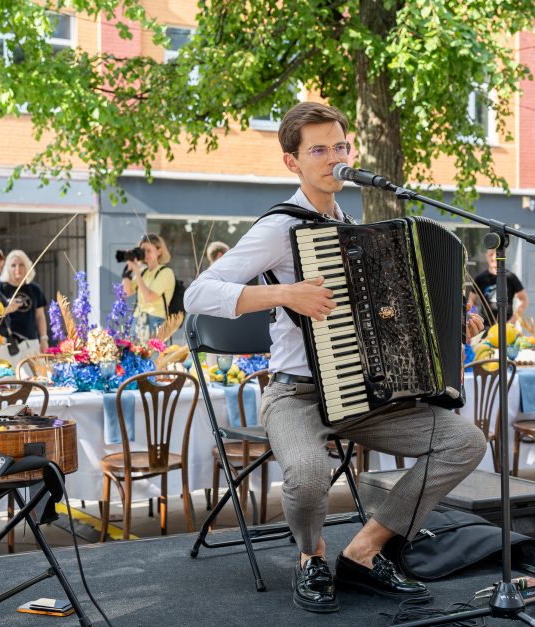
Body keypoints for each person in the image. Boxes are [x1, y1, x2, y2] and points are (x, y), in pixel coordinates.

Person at [184, 102, 487, 613]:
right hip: (296, 393)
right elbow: (197, 294)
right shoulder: (280, 229)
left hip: (365, 392)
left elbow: (389, 320)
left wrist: (451, 330)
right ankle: (312, 556)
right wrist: (285, 295)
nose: (333, 158)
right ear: (292, 162)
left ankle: (365, 550)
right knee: (306, 473)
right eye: (318, 150)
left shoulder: (358, 231)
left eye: (340, 147)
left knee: (463, 442)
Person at [0, 250, 49, 356]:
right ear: (7, 268)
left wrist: (44, 339)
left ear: (27, 266)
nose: (17, 269)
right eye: (13, 265)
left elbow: (40, 316)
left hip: (31, 342)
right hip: (7, 343)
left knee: (35, 372)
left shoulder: (35, 289)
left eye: (21, 265)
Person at [121, 234, 175, 338]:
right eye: (142, 250)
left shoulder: (165, 272)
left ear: (159, 251)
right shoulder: (143, 272)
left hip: (155, 320)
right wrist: (127, 273)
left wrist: (136, 270)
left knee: (152, 354)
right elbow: (126, 292)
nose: (145, 254)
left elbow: (149, 297)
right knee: (135, 354)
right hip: (137, 320)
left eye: (149, 250)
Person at [467, 248, 528, 327]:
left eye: (496, 254)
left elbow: (524, 300)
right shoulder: (480, 278)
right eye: (491, 254)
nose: (493, 257)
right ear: (487, 256)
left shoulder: (511, 277)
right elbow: (471, 300)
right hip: (485, 326)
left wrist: (512, 321)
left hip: (506, 326)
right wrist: (474, 320)